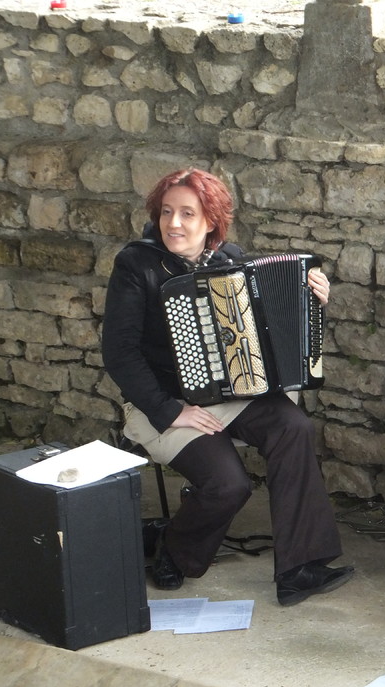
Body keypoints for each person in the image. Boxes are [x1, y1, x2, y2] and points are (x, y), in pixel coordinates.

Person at [102, 167, 353, 606]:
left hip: (232, 395)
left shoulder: (229, 260)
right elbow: (120, 353)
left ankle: (300, 567)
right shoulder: (136, 264)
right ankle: (174, 552)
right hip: (163, 402)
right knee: (228, 485)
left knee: (293, 427)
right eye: (166, 212)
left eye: (187, 214)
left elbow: (271, 331)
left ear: (211, 221)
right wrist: (169, 409)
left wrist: (313, 302)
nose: (173, 224)